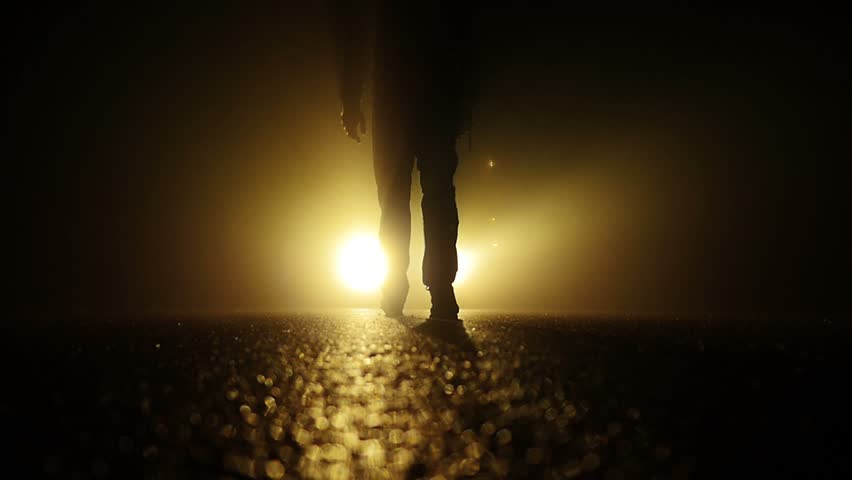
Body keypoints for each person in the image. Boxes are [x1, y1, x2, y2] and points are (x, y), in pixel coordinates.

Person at [330, 1, 475, 320]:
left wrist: (351, 97)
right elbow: (462, 26)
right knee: (437, 193)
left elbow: (352, 27)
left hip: (395, 92)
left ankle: (398, 285)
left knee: (395, 196)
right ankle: (438, 287)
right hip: (434, 92)